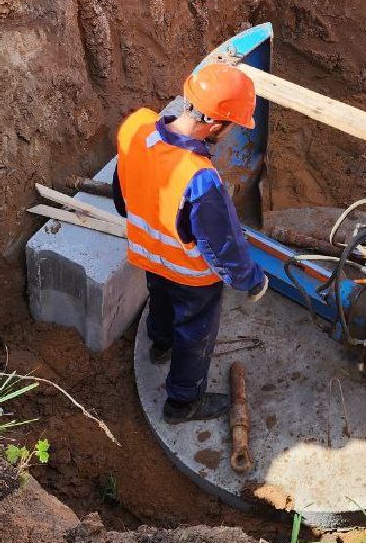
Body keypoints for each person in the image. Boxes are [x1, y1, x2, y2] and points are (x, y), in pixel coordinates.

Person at [113, 62, 269, 424]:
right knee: (195, 334)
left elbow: (122, 195)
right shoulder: (201, 180)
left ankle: (160, 344)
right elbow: (223, 249)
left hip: (150, 255)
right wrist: (252, 280)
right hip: (190, 277)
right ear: (216, 124)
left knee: (161, 304)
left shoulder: (136, 127)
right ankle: (182, 403)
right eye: (232, 126)